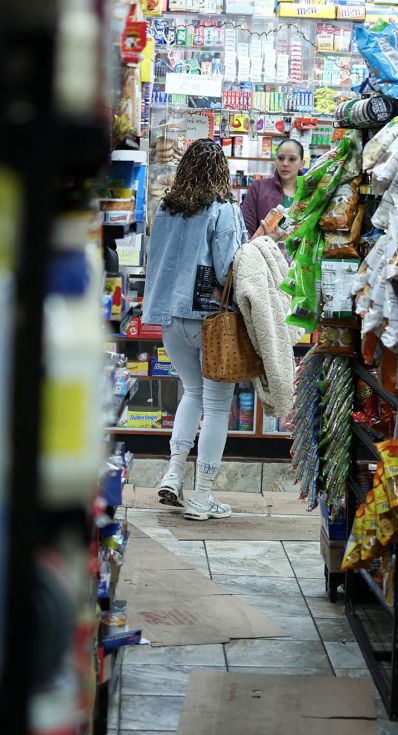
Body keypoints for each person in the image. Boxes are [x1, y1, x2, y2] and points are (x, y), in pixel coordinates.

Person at [142, 139, 248, 521]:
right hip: (211, 319)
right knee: (218, 405)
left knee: (192, 392)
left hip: (171, 315)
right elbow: (227, 268)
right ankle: (203, 497)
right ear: (221, 171)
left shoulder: (166, 208)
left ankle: (173, 473)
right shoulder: (223, 209)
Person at [240, 138, 305, 236]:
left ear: (302, 163)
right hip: (263, 250)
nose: (285, 164)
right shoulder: (258, 188)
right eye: (281, 158)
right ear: (276, 160)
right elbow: (246, 230)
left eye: (292, 159)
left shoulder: (311, 192)